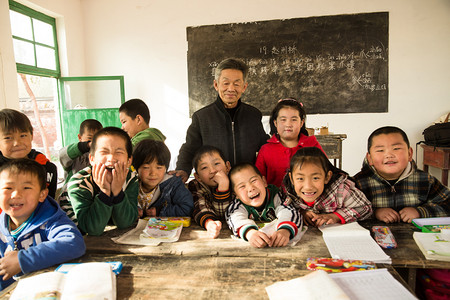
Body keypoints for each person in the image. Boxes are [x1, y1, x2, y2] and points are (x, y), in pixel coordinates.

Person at [174, 58, 268, 182]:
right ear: (216, 85)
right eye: (226, 83)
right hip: (215, 183)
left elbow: (264, 146)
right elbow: (190, 148)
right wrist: (183, 169)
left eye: (236, 83)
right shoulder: (202, 117)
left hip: (246, 184)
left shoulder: (253, 115)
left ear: (244, 87)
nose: (231, 88)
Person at [0, 159, 85, 290]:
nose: (16, 194)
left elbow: (73, 243)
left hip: (49, 289)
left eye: (26, 187)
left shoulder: (51, 219)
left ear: (42, 194)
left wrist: (22, 259)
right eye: (8, 188)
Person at [353, 126, 450, 223]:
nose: (389, 155)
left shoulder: (425, 180)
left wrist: (420, 212)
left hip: (414, 236)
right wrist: (375, 212)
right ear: (370, 158)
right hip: (371, 236)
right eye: (380, 150)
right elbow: (347, 211)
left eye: (396, 148)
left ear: (409, 154)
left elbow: (447, 205)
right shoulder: (358, 183)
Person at [67, 127, 139, 236]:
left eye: (119, 152)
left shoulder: (131, 180)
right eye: (104, 152)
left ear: (129, 161)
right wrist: (105, 192)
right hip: (77, 235)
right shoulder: (79, 183)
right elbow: (92, 229)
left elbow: (125, 223)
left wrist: (117, 191)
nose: (111, 158)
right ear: (91, 159)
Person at [282, 147, 372, 227]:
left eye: (315, 178)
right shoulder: (288, 194)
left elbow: (365, 208)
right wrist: (301, 213)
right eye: (300, 178)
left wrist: (336, 216)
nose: (308, 186)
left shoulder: (341, 190)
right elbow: (283, 210)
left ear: (327, 177)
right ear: (292, 179)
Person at [226, 163, 302, 248]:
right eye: (242, 186)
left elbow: (289, 211)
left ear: (264, 181)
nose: (251, 188)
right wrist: (250, 233)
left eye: (254, 181)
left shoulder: (277, 196)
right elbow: (234, 218)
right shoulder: (238, 204)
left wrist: (285, 230)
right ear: (236, 194)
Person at [255, 98, 324, 187]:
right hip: (274, 199)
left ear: (301, 123)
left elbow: (324, 172)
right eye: (283, 120)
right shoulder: (265, 149)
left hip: (307, 198)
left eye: (294, 119)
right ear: (275, 123)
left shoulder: (312, 145)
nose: (288, 124)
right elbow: (258, 179)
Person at [0, 109, 57, 199]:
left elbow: (50, 203)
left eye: (23, 136)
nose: (17, 143)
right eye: (8, 138)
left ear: (31, 136)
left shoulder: (47, 168)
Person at [132, 139, 193, 218]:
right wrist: (131, 212)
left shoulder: (173, 184)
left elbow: (187, 208)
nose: (153, 173)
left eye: (159, 167)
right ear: (136, 168)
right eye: (146, 167)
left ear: (166, 168)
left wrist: (160, 211)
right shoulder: (129, 183)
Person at [58, 119, 103, 223]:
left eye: (98, 139)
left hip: (90, 201)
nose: (94, 143)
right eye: (90, 139)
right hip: (70, 203)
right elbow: (62, 155)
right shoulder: (76, 157)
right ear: (80, 137)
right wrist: (85, 146)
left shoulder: (101, 156)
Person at [188, 145, 232, 238]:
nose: (212, 170)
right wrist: (209, 223)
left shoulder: (236, 181)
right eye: (204, 167)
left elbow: (226, 214)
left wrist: (223, 186)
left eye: (216, 164)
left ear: (227, 167)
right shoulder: (195, 185)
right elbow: (200, 207)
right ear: (197, 176)